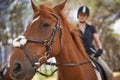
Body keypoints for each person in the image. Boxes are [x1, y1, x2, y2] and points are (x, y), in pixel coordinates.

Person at [77, 6, 113, 80]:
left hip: (92, 54)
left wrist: (100, 49)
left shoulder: (91, 28)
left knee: (109, 73)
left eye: (84, 15)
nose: (82, 16)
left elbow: (97, 40)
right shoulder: (74, 29)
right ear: (78, 15)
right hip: (79, 56)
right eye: (81, 14)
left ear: (87, 16)